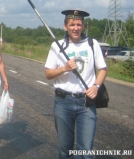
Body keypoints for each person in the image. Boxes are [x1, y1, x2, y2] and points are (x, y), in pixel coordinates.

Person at [45, 10, 107, 158]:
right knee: (65, 149)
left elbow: (103, 69)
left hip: (86, 103)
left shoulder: (92, 44)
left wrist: (96, 86)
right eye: (72, 24)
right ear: (65, 26)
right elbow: (48, 74)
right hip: (63, 102)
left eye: (79, 24)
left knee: (85, 150)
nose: (76, 28)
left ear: (83, 26)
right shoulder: (57, 46)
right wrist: (64, 68)